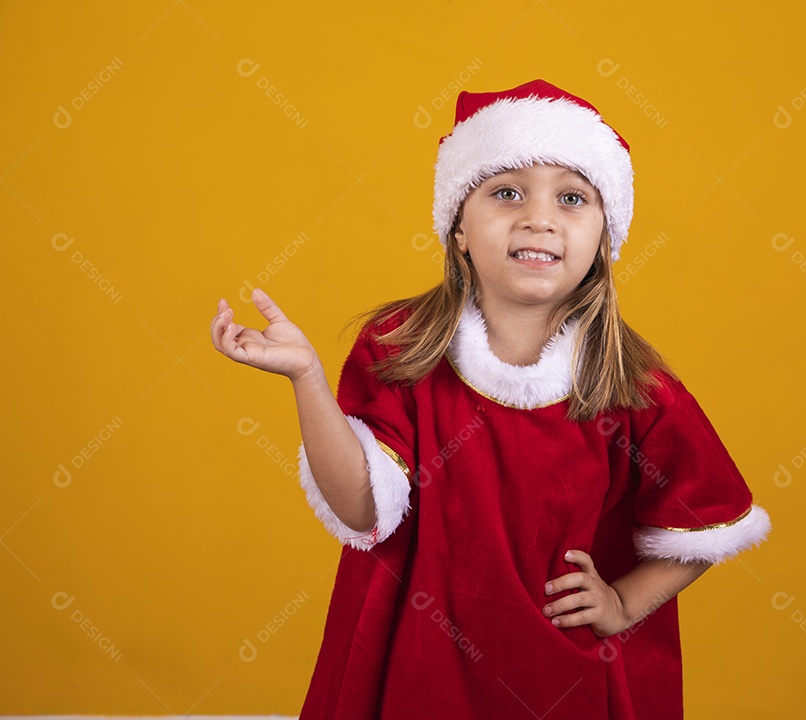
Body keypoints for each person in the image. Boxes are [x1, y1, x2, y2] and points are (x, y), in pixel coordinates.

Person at [210, 79, 771, 719]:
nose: (539, 218)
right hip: (414, 666)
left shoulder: (632, 384)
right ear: (459, 229)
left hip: (563, 677)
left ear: (603, 239)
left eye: (572, 198)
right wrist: (307, 378)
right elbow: (361, 510)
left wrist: (623, 602)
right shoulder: (398, 349)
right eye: (507, 192)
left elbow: (710, 515)